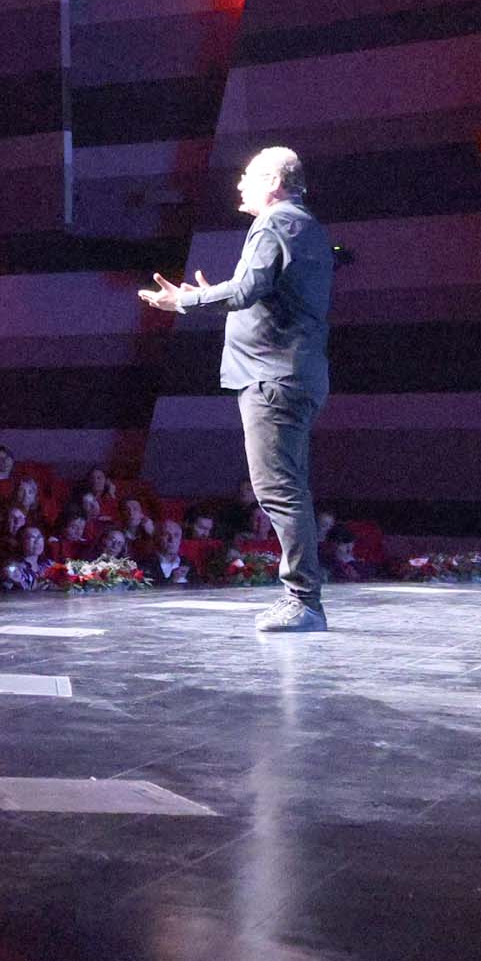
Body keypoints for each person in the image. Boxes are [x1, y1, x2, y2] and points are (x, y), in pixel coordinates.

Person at [142, 144, 335, 634]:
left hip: (272, 377)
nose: (239, 184)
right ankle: (303, 597)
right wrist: (216, 294)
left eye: (248, 175)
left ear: (273, 181)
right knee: (290, 487)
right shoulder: (306, 225)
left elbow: (247, 289)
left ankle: (303, 601)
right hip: (297, 375)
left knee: (277, 489)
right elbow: (266, 292)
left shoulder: (272, 223)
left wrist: (188, 301)